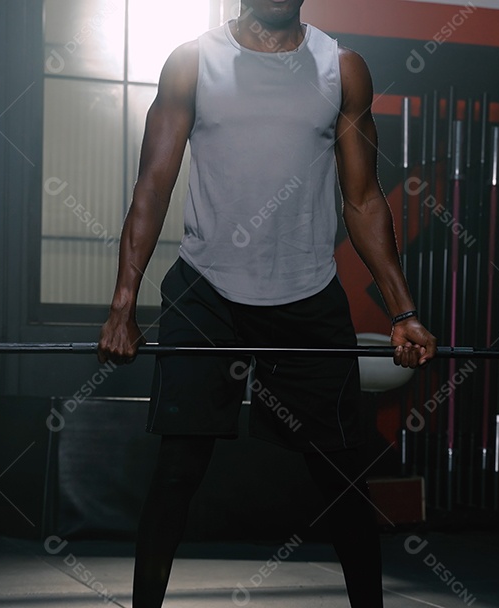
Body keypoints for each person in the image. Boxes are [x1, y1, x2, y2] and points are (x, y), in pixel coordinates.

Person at [97, 1, 436, 605]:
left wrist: (402, 312)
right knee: (177, 473)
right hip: (207, 292)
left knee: (341, 482)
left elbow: (362, 200)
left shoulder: (344, 68)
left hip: (306, 292)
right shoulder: (192, 63)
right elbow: (154, 182)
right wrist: (124, 304)